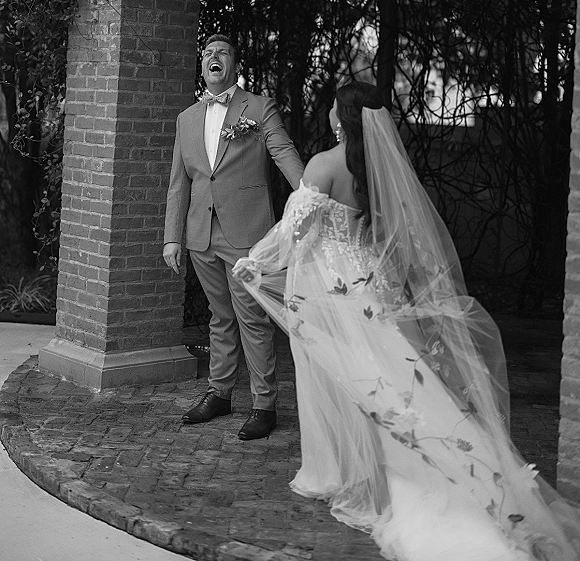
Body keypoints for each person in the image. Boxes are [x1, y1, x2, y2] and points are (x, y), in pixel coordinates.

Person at [233, 81, 580, 559]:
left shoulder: (323, 165)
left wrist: (255, 261)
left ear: (341, 117)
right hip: (369, 285)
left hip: (326, 291)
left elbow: (295, 233)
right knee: (386, 380)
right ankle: (425, 466)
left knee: (337, 381)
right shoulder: (378, 171)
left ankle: (340, 474)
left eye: (333, 105)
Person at [163, 34, 304, 440]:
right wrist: (173, 237)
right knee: (220, 316)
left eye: (222, 52)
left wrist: (310, 193)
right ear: (202, 65)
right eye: (207, 53)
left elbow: (282, 151)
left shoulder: (257, 108)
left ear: (235, 65)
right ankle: (220, 393)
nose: (213, 56)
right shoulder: (186, 118)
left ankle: (264, 404)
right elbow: (179, 183)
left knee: (252, 318)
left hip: (247, 232)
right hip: (200, 235)